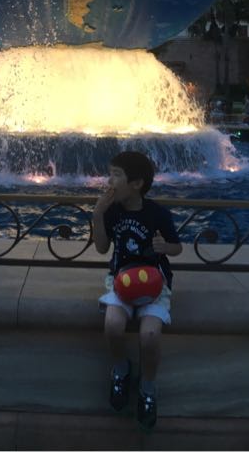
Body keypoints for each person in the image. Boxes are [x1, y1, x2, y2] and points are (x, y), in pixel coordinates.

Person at [92, 151, 182, 432]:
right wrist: (97, 215)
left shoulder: (157, 214)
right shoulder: (112, 211)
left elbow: (177, 247)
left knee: (150, 335)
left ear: (136, 183)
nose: (109, 181)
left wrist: (164, 247)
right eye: (110, 173)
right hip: (120, 281)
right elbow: (102, 248)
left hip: (155, 284)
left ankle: (148, 387)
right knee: (112, 324)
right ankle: (121, 369)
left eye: (116, 175)